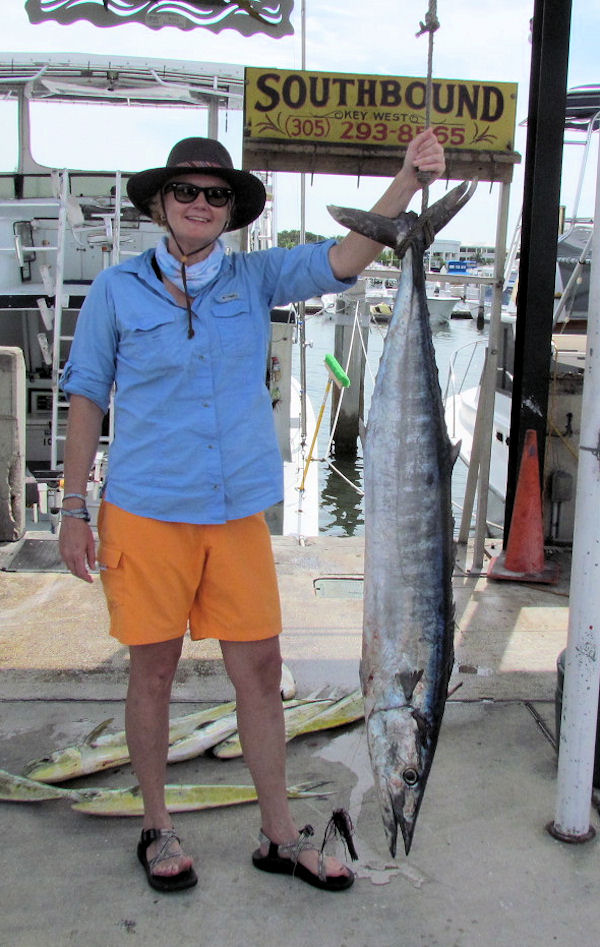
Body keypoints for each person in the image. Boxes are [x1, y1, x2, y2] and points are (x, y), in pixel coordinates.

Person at [58, 130, 445, 893]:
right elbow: (85, 395)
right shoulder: (116, 289)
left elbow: (342, 259)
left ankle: (278, 835)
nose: (200, 204)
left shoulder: (254, 277)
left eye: (215, 194)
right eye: (186, 191)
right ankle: (157, 827)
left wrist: (404, 180)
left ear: (231, 210)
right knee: (155, 671)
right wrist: (73, 507)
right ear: (161, 204)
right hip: (143, 508)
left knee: (261, 670)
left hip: (235, 511)